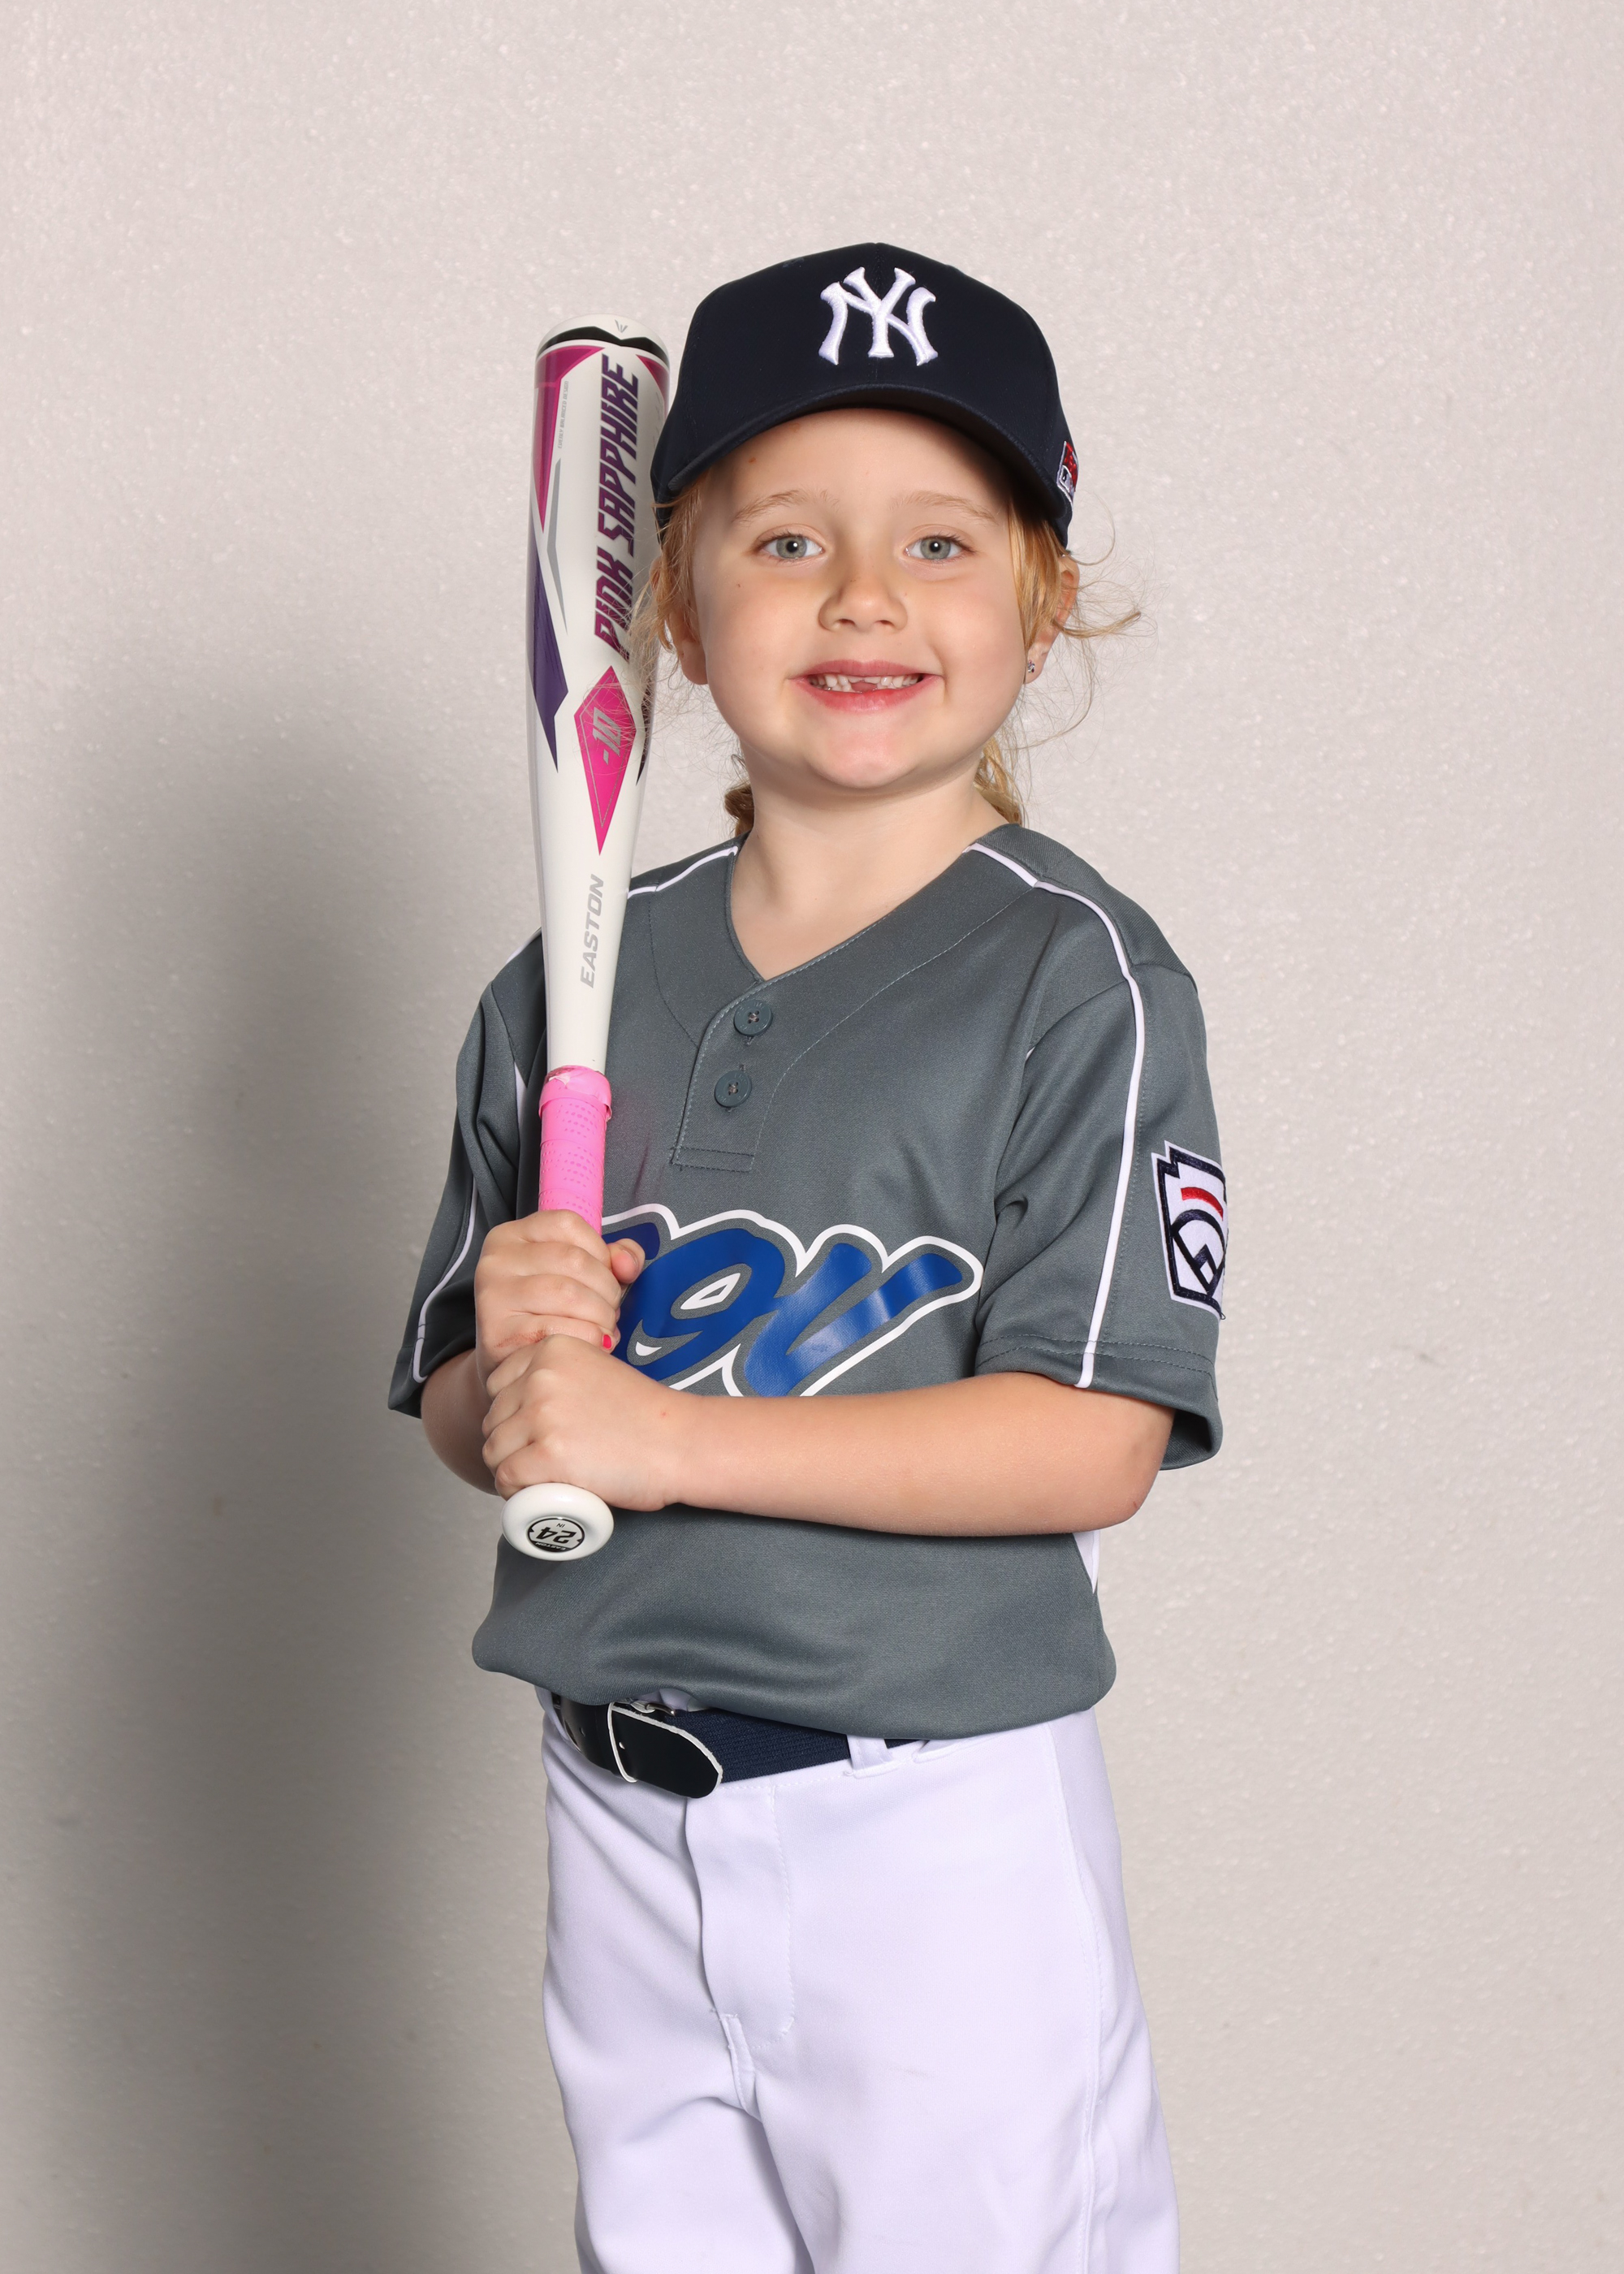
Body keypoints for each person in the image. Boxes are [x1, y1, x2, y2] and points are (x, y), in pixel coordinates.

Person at [390, 243, 1226, 2274]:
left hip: (924, 1828)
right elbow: (468, 1419)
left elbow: (1092, 1440)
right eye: (785, 539)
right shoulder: (567, 980)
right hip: (614, 1802)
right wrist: (504, 1369)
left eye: (940, 539)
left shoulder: (1077, 979)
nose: (863, 594)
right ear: (674, 612)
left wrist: (662, 1434)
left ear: (1039, 596)